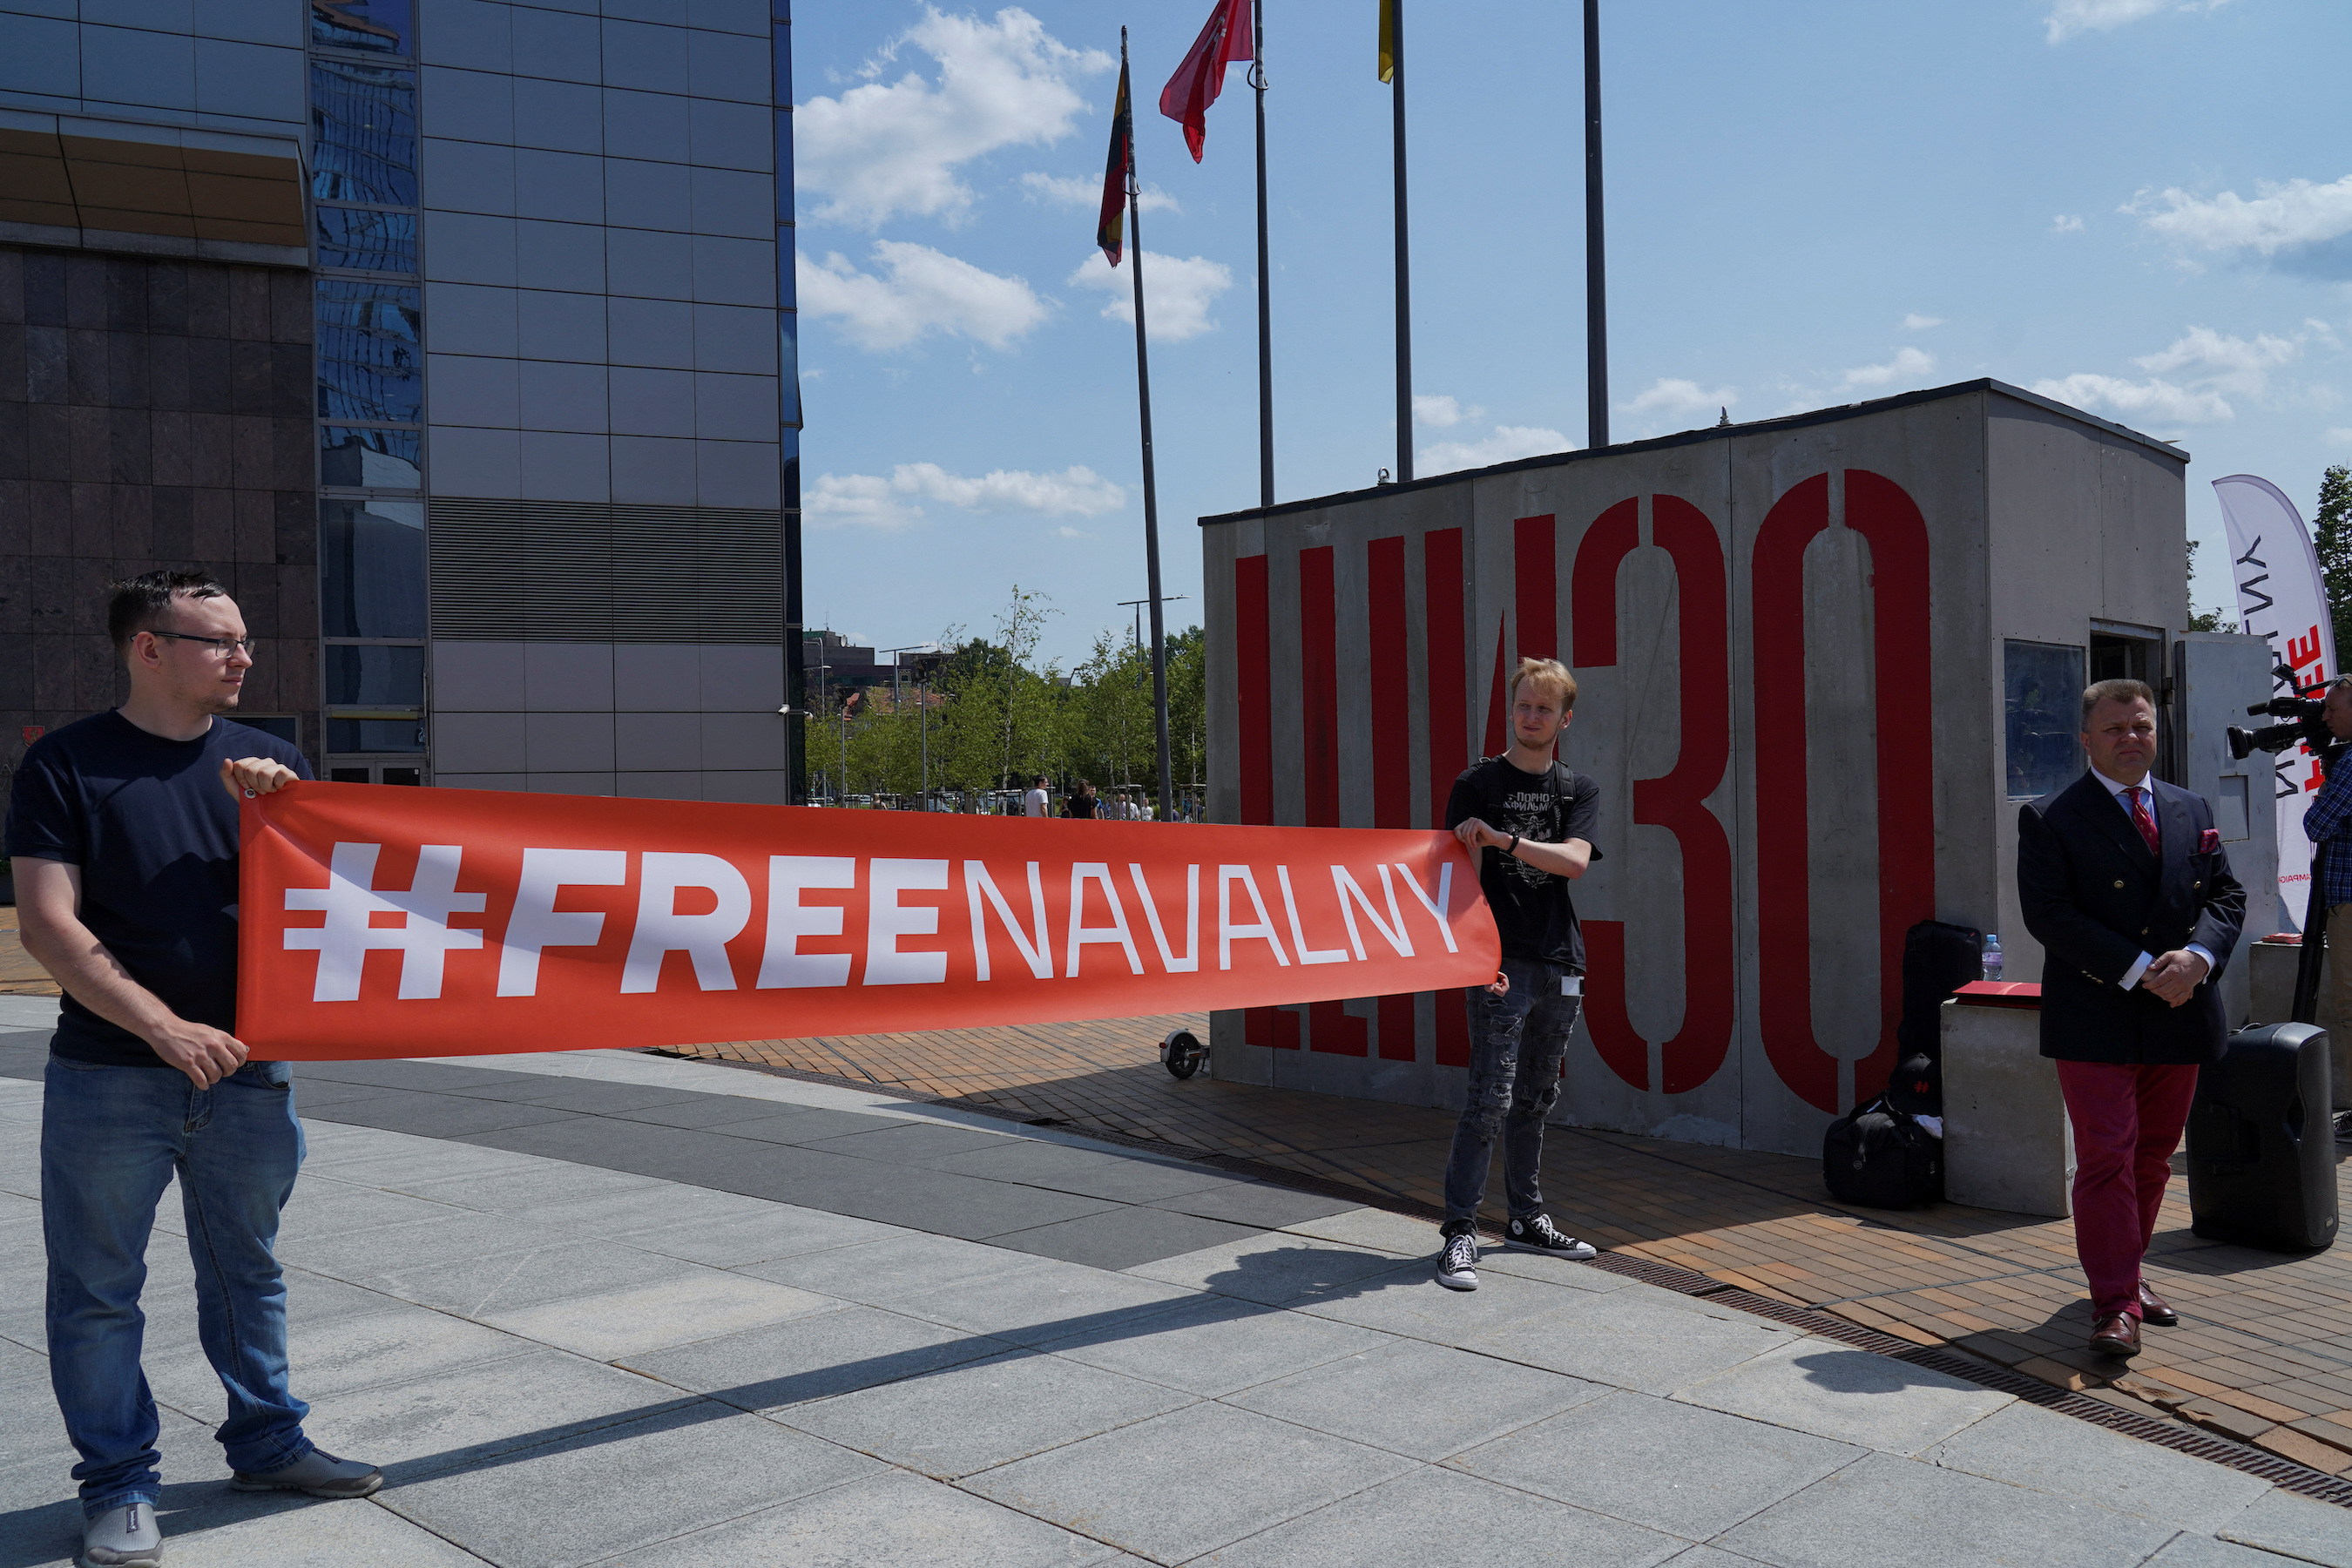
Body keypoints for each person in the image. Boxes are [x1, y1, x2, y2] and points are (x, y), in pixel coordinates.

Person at [6, 571, 383, 1568]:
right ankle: (120, 1485)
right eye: (218, 640)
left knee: (248, 1272)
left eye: (245, 639)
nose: (242, 656)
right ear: (148, 647)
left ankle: (268, 1444)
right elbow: (50, 922)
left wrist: (286, 816)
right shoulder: (67, 767)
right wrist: (166, 1028)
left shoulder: (274, 765)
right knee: (96, 1287)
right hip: (109, 1075)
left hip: (253, 1075)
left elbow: (329, 915)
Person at [2017, 677, 2244, 1359]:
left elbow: (2227, 895)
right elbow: (2050, 915)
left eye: (2141, 726)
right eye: (2115, 729)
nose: (2131, 739)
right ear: (2086, 739)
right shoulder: (2052, 816)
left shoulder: (2188, 806)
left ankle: (2130, 1273)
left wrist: (2200, 958)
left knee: (2152, 1159)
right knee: (2107, 1158)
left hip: (2179, 1012)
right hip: (2097, 1014)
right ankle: (2113, 1302)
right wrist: (2146, 968)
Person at [1434, 657, 1605, 1291]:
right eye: (1524, 705)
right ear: (1512, 710)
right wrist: (1473, 961)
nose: (1532, 717)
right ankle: (1459, 1233)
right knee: (1489, 1100)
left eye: (1545, 708)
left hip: (1561, 959)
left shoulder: (1576, 789)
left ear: (1564, 718)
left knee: (1536, 1099)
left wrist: (1505, 842)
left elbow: (1575, 863)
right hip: (1498, 964)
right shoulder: (1476, 784)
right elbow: (1448, 880)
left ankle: (1527, 1219)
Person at [2298, 679, 2352, 1059]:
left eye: (2333, 709)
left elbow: (2316, 826)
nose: (2326, 716)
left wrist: (2321, 795)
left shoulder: (2349, 765)